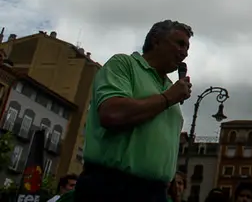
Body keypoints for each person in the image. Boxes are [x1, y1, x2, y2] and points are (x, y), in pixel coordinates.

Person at [74, 20, 194, 202]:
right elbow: (112, 113)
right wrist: (168, 98)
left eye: (187, 48)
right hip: (112, 188)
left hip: (156, 192)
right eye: (180, 44)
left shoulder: (170, 87)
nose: (184, 53)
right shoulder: (123, 65)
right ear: (156, 41)